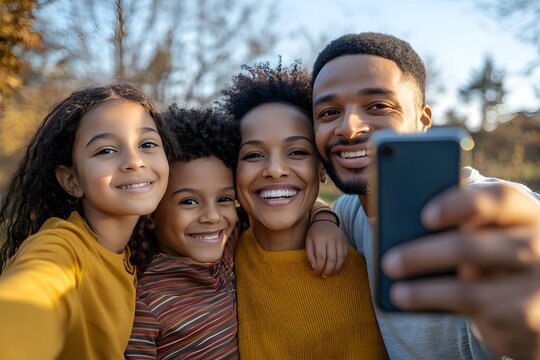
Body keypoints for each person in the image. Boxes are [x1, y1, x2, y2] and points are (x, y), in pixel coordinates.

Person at [311, 32, 540, 360]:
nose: (349, 127)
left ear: (423, 120)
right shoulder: (349, 213)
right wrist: (322, 217)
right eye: (329, 112)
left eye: (377, 106)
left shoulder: (489, 213)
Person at [125, 105, 347, 359]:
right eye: (189, 201)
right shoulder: (143, 302)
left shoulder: (227, 243)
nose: (211, 217)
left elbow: (289, 203)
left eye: (224, 199)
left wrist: (324, 220)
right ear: (150, 212)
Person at [221, 60, 388, 359]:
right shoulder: (218, 253)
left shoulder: (360, 275)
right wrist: (323, 216)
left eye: (297, 152)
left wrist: (324, 217)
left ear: (321, 168)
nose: (274, 170)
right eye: (254, 154)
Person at [0, 83, 172, 360]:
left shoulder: (136, 252)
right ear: (72, 180)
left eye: (147, 144)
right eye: (106, 150)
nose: (134, 161)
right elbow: (29, 297)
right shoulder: (59, 248)